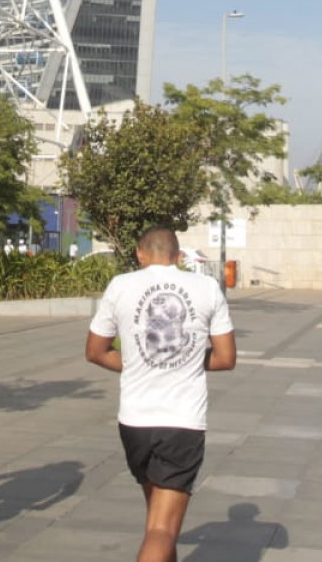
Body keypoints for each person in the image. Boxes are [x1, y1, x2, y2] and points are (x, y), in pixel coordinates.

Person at [86, 225, 235, 562]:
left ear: (140, 253)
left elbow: (95, 351)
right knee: (161, 531)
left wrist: (144, 362)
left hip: (134, 424)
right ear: (178, 257)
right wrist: (185, 362)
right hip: (181, 425)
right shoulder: (206, 287)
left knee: (157, 521)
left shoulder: (121, 286)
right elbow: (226, 358)